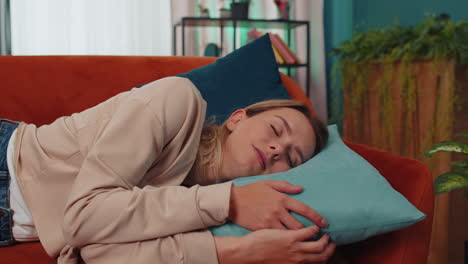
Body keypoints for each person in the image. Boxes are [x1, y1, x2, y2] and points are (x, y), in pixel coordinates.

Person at [0, 76, 335, 264]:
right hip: (8, 165)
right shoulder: (178, 101)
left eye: (291, 159)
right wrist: (229, 202)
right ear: (237, 118)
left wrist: (243, 249)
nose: (278, 150)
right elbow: (84, 218)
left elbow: (97, 250)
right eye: (276, 130)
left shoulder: (197, 208)